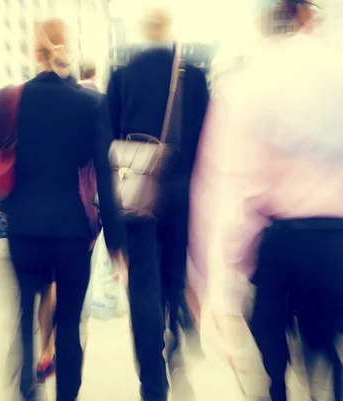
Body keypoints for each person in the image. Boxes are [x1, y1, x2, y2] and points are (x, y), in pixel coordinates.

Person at [188, 1, 343, 400]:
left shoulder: (251, 79)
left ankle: (277, 388)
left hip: (288, 237)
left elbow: (233, 185)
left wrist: (224, 287)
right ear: (310, 15)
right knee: (327, 344)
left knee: (271, 336)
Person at [0, 19, 126, 401]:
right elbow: (105, 180)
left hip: (25, 228)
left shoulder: (11, 99)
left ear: (34, 51)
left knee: (25, 313)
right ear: (68, 49)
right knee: (68, 324)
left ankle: (27, 389)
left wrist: (8, 207)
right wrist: (115, 243)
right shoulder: (91, 103)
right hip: (72, 232)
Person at [105, 8, 209, 401]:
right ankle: (176, 339)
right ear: (170, 33)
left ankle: (153, 383)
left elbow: (109, 146)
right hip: (181, 194)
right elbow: (205, 145)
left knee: (143, 289)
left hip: (137, 195)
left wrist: (111, 227)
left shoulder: (121, 76)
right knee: (173, 277)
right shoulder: (194, 76)